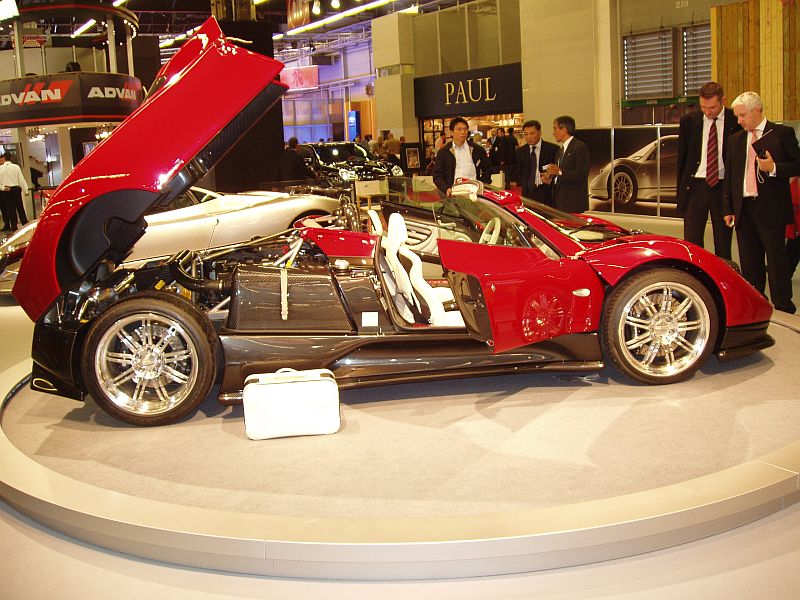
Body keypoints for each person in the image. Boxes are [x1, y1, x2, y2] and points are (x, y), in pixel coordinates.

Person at [723, 91, 800, 314]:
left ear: (756, 110)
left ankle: (783, 304)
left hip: (771, 208)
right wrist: (729, 208)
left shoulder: (781, 133)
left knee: (776, 261)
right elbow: (730, 177)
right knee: (749, 261)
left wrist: (774, 169)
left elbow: (797, 165)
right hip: (744, 208)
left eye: (742, 115)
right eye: (737, 116)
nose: (739, 120)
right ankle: (756, 303)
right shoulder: (735, 140)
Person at [676, 82, 741, 258]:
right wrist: (680, 194)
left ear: (723, 101)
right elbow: (682, 160)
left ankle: (722, 278)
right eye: (703, 107)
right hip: (695, 186)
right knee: (692, 239)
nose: (707, 112)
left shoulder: (736, 121)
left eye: (712, 107)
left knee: (723, 239)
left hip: (722, 187)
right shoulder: (689, 121)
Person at [432, 116, 493, 195]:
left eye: (465, 129)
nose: (463, 132)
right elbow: (437, 175)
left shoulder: (477, 150)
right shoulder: (444, 152)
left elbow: (488, 168)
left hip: (474, 193)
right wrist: (446, 188)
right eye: (459, 129)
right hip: (453, 194)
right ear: (451, 132)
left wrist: (482, 184)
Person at [543, 115, 590, 212]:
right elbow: (560, 175)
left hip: (573, 203)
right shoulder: (559, 151)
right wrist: (550, 177)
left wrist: (559, 172)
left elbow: (582, 174)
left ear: (564, 130)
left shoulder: (579, 147)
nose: (553, 133)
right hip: (560, 202)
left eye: (555, 129)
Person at [515, 120, 559, 206]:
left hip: (545, 191)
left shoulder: (552, 149)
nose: (529, 137)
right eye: (526, 134)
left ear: (540, 133)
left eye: (532, 133)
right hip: (527, 192)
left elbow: (556, 170)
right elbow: (520, 171)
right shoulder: (521, 151)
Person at [0, 155, 29, 231]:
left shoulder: (0, 168)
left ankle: (14, 228)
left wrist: (3, 188)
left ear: (4, 159)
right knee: (20, 208)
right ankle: (25, 225)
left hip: (6, 190)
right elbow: (21, 179)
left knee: (11, 210)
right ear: (11, 158)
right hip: (16, 190)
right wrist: (26, 190)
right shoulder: (16, 167)